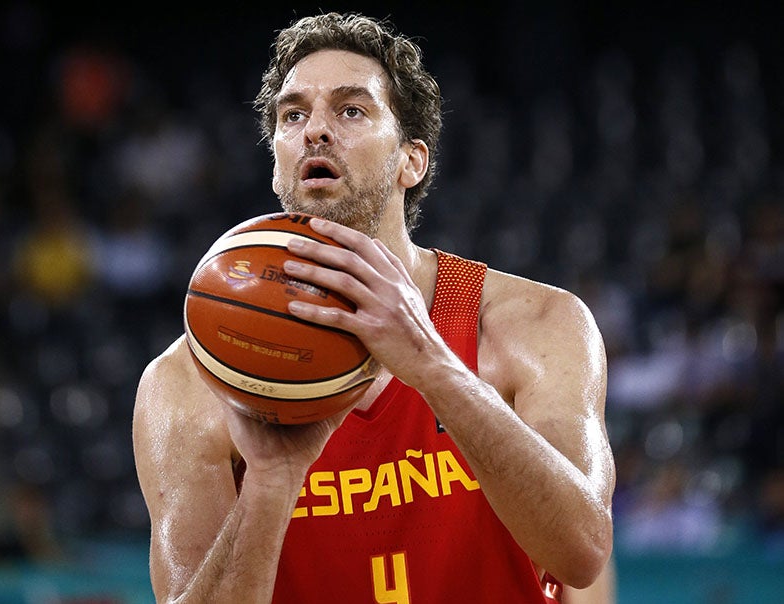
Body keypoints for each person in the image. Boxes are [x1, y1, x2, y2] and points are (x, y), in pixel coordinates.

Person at [133, 11, 616, 603]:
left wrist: (434, 368)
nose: (314, 130)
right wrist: (270, 484)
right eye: (293, 115)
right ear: (278, 157)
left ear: (412, 160)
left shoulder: (536, 324)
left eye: (351, 109)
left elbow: (583, 551)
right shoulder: (189, 379)